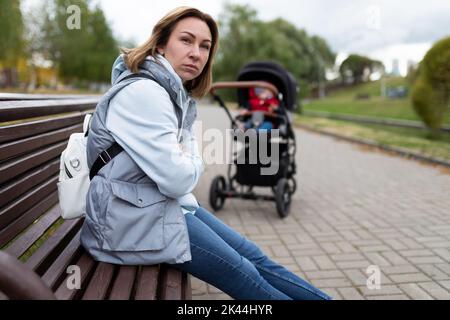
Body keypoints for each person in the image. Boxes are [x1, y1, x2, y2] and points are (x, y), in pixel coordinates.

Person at [80, 6, 331, 300]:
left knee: (255, 257)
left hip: (154, 206)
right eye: (186, 40)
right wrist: (193, 156)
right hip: (128, 223)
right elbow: (178, 178)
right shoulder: (145, 93)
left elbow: (181, 167)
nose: (197, 54)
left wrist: (187, 154)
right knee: (246, 274)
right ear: (161, 44)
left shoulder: (170, 92)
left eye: (205, 46)